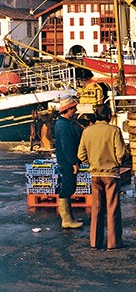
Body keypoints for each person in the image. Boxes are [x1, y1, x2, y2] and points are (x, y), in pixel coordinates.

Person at [77, 104, 126, 250]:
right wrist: (116, 162)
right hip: (111, 174)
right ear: (109, 116)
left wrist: (91, 162)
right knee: (112, 208)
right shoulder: (114, 131)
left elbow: (81, 155)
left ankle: (94, 242)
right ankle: (113, 242)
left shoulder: (87, 132)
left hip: (95, 173)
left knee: (97, 208)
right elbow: (121, 154)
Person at [53, 96, 84, 229]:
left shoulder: (65, 123)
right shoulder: (64, 125)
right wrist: (73, 162)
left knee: (69, 187)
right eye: (74, 108)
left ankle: (69, 217)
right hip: (67, 162)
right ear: (68, 109)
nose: (75, 110)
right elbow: (67, 146)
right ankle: (66, 220)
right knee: (67, 187)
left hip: (66, 161)